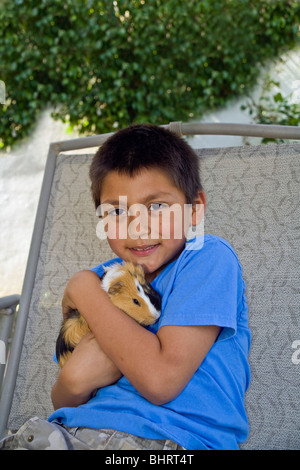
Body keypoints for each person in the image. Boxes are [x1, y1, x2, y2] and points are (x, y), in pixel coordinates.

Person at [0, 124, 251, 450]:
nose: (138, 227)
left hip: (167, 442)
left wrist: (83, 288)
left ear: (194, 209)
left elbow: (160, 381)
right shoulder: (103, 277)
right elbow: (64, 397)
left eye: (157, 207)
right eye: (117, 211)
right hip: (67, 434)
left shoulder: (206, 257)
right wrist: (74, 380)